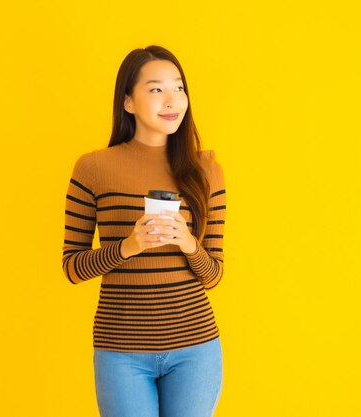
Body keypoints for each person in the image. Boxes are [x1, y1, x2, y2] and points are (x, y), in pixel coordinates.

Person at [62, 45, 226, 417]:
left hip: (195, 348)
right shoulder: (93, 168)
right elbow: (72, 267)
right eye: (156, 89)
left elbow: (214, 274)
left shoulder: (206, 171)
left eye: (179, 88)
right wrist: (127, 247)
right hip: (121, 350)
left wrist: (187, 243)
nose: (172, 100)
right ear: (129, 103)